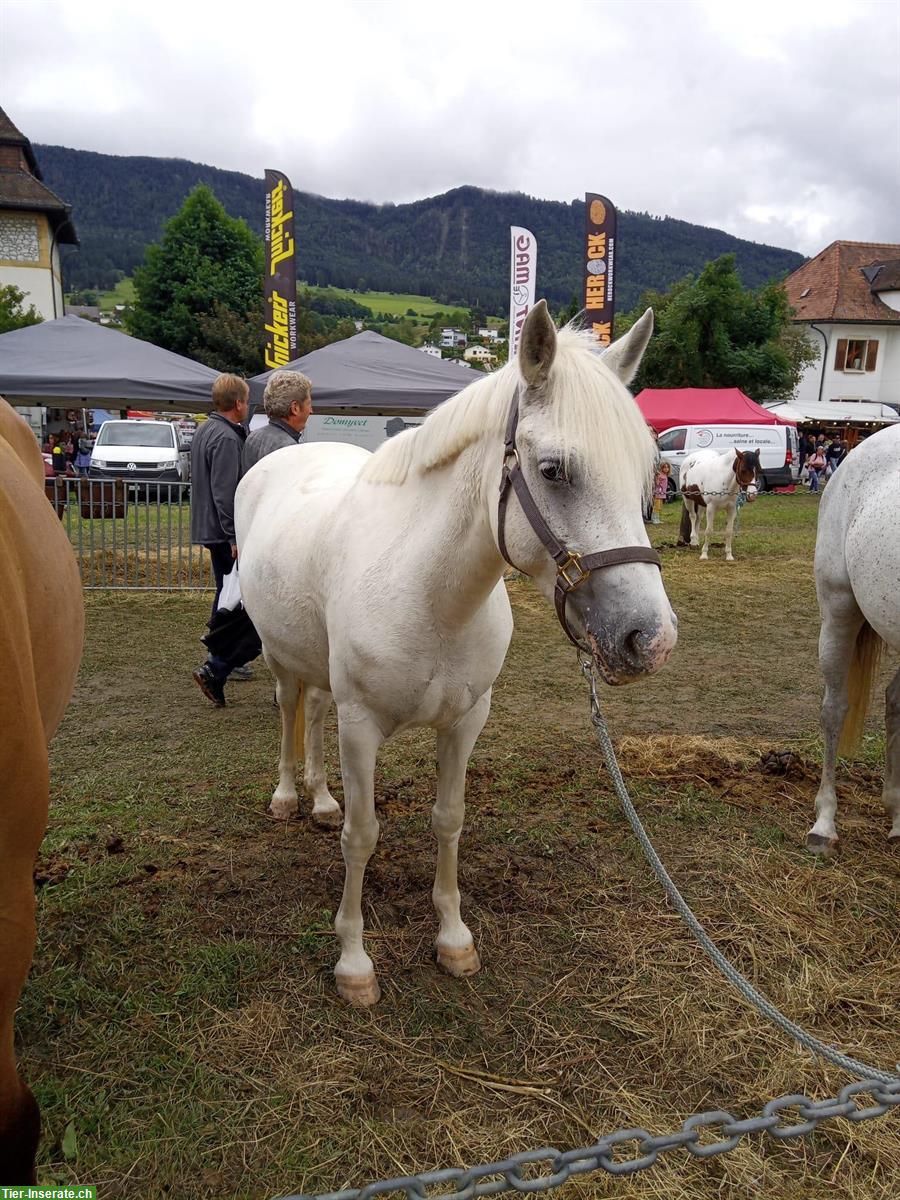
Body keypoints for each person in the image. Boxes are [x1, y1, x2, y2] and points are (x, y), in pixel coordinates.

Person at [190, 374, 261, 706]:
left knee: (226, 591)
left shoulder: (207, 429)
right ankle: (222, 658)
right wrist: (234, 534)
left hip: (211, 527)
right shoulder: (227, 438)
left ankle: (221, 657)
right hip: (223, 530)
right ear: (238, 404)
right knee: (234, 597)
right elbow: (225, 491)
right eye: (247, 400)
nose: (248, 406)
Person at [242, 370, 313, 471]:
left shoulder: (253, 437)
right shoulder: (289, 449)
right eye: (309, 404)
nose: (311, 411)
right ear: (295, 408)